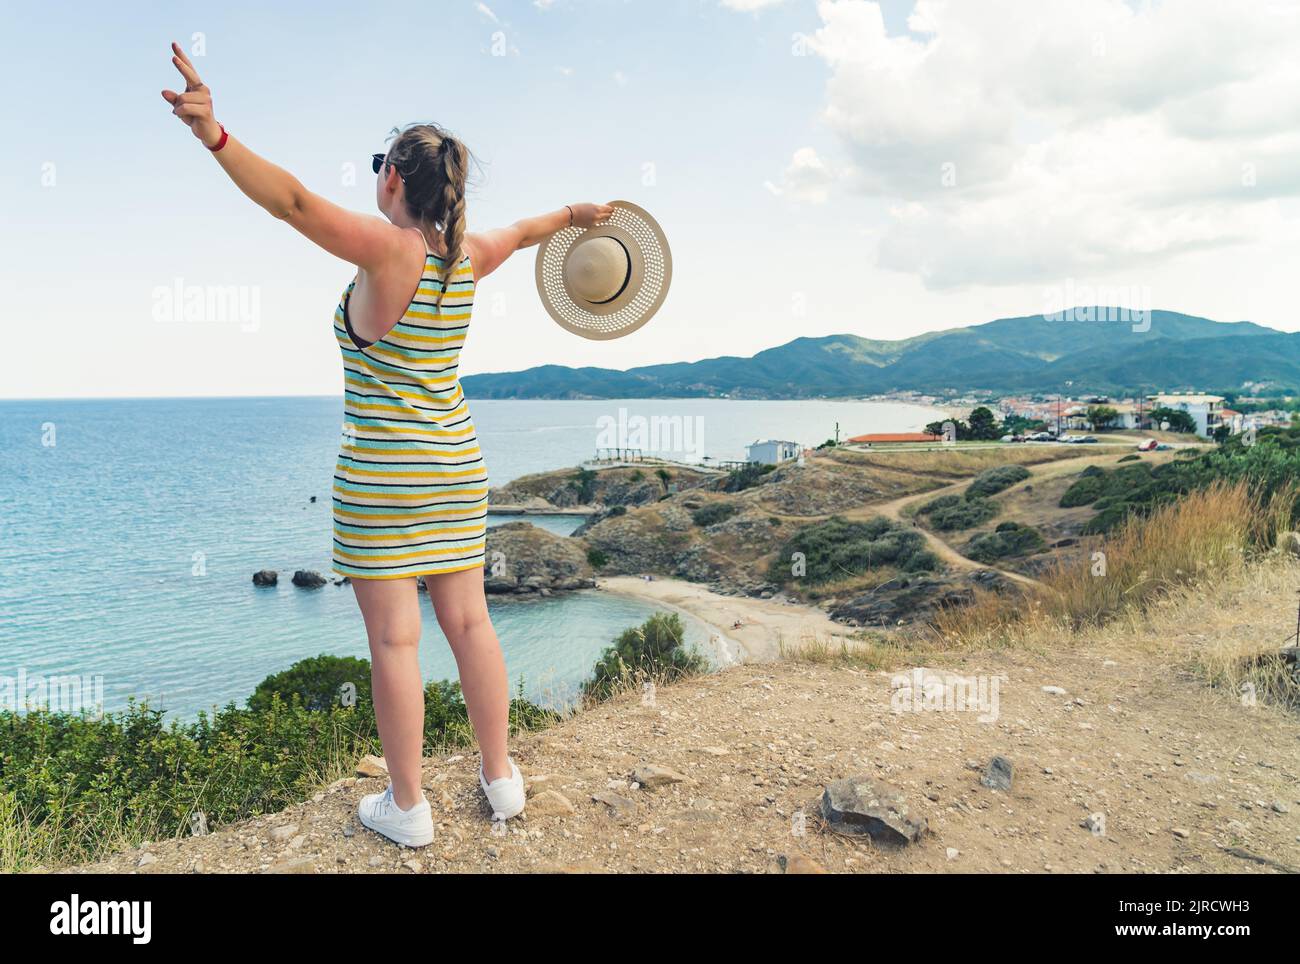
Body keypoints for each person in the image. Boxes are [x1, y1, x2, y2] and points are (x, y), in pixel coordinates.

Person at [161, 42, 613, 847]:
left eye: (381, 165)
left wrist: (214, 134)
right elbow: (528, 226)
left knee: (396, 640)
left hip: (382, 479)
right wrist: (578, 217)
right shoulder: (467, 255)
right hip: (457, 467)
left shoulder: (388, 247)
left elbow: (293, 204)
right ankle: (501, 779)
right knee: (471, 626)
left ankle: (408, 807)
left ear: (394, 180)